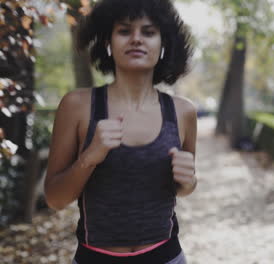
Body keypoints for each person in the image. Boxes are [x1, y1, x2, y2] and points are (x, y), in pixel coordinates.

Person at [44, 0, 197, 263]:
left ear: (164, 44)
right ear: (107, 41)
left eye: (148, 32)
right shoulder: (77, 106)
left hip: (167, 257)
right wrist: (89, 157)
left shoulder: (183, 112)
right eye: (124, 31)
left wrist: (189, 182)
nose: (136, 39)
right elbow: (55, 199)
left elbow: (182, 187)